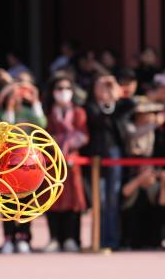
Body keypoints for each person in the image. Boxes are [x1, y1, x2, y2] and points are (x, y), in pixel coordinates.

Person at [0, 78, 46, 253]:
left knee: (27, 200)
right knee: (6, 201)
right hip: (7, 164)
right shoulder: (1, 113)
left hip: (28, 164)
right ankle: (9, 238)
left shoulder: (28, 112)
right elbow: (4, 130)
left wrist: (35, 101)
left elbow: (42, 125)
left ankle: (24, 237)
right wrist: (9, 108)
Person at [85, 74, 133, 251]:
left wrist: (115, 90)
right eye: (99, 85)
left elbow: (130, 105)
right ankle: (98, 240)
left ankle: (112, 240)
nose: (103, 89)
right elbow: (97, 119)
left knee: (112, 199)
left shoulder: (117, 105)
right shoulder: (90, 106)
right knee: (100, 200)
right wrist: (104, 101)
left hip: (114, 153)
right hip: (95, 155)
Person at [44, 76, 87, 252]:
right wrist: (55, 143)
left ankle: (72, 238)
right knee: (51, 198)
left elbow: (83, 135)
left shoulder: (78, 112)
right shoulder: (47, 113)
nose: (63, 92)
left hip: (71, 161)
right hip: (51, 161)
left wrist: (64, 143)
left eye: (67, 88)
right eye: (59, 88)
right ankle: (54, 238)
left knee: (73, 200)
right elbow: (43, 134)